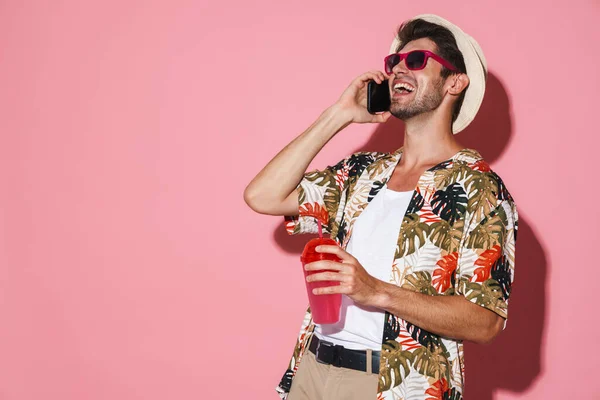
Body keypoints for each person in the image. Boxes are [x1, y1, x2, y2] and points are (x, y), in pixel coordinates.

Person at [244, 14, 518, 400]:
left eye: (417, 61)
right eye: (394, 63)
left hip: (393, 386)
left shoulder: (479, 188)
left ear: (455, 81)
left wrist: (376, 292)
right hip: (313, 370)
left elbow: (486, 321)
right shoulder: (362, 172)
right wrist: (338, 115)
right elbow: (263, 196)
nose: (398, 68)